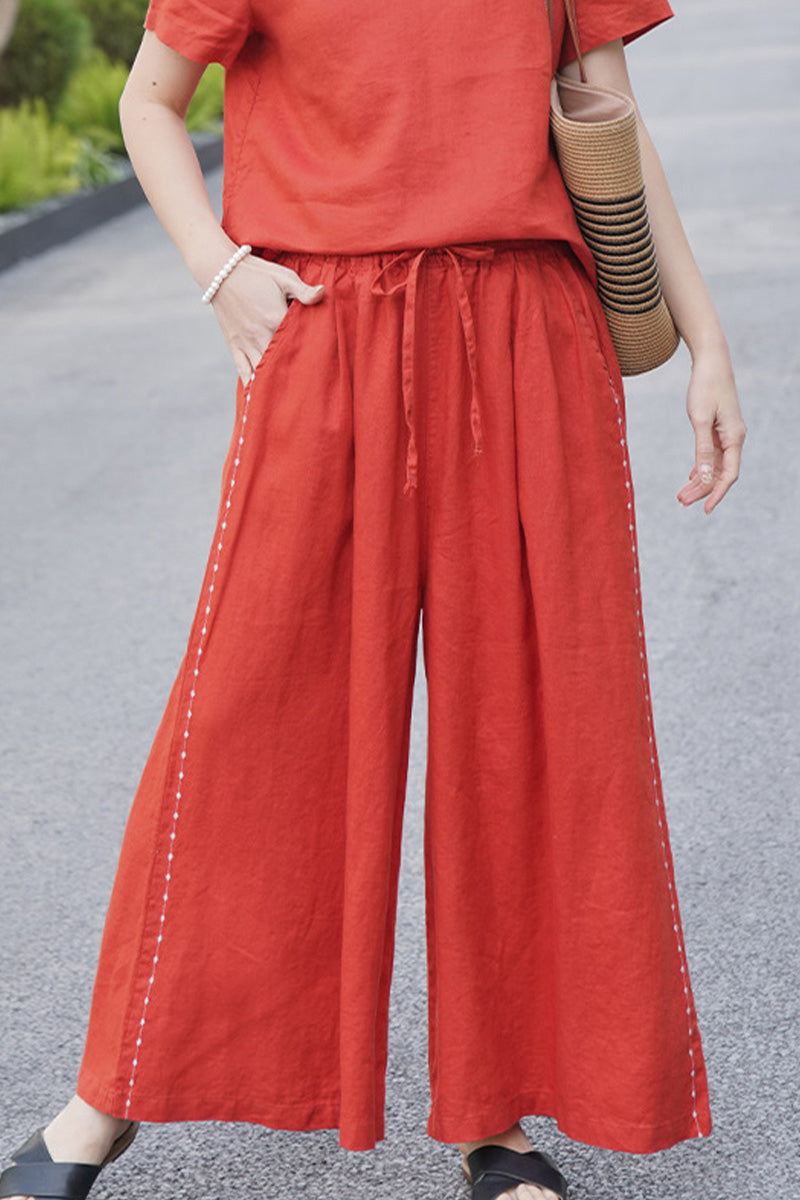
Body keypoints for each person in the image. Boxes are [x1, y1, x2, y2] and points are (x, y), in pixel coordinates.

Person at [0, 1, 746, 1198]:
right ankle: (110, 1091)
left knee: (526, 735)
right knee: (245, 719)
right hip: (326, 334)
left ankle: (493, 1123)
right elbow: (150, 100)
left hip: (525, 333)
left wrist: (704, 339)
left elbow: (607, 116)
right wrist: (217, 269)